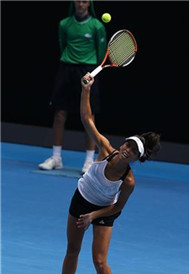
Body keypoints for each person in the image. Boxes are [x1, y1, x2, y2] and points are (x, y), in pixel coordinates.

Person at [50, 73, 161, 274]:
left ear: (136, 159)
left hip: (105, 211)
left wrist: (93, 216)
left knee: (99, 261)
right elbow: (87, 119)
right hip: (82, 198)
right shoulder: (104, 149)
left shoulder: (129, 182)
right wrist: (86, 90)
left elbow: (118, 207)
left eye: (133, 150)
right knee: (72, 250)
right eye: (128, 144)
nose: (126, 149)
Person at [39, 1, 107, 174]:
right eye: (78, 0)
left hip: (87, 70)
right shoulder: (64, 24)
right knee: (59, 114)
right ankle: (56, 158)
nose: (81, 4)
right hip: (66, 69)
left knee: (88, 116)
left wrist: (91, 71)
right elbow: (63, 45)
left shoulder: (97, 26)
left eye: (84, 1)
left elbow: (101, 53)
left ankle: (89, 161)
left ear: (89, 4)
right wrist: (70, 61)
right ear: (73, 3)